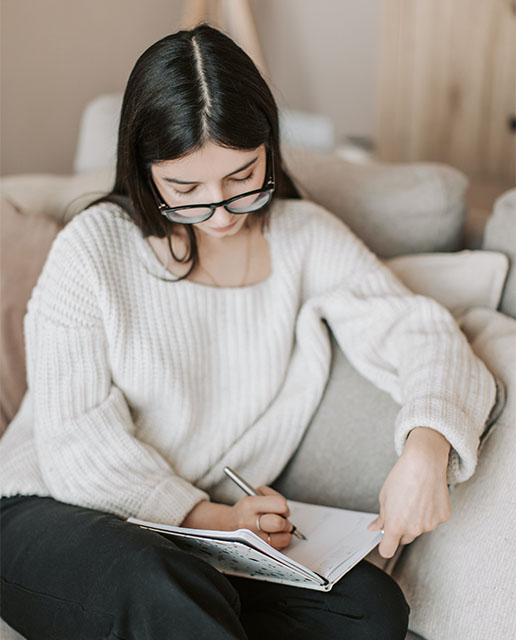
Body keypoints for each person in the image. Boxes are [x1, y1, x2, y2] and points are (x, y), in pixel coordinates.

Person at [0, 24, 496, 640]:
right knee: (163, 588)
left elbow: (422, 332)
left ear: (268, 145)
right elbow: (75, 448)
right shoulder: (93, 250)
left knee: (368, 608)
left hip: (210, 535)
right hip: (54, 508)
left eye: (241, 179)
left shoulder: (304, 237)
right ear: (144, 168)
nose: (220, 214)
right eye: (185, 190)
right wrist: (212, 517)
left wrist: (427, 444)